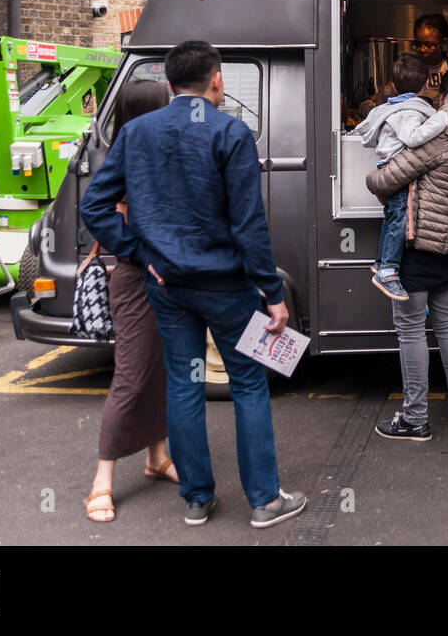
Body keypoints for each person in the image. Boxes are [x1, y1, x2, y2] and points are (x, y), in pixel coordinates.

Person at [80, 40, 306, 530]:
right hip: (227, 286)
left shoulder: (137, 132)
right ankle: (265, 501)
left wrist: (140, 252)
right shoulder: (232, 132)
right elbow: (249, 224)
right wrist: (272, 293)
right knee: (248, 384)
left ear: (168, 83)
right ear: (216, 80)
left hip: (167, 286)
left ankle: (197, 499)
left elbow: (93, 205)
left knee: (185, 385)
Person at [365, 65, 448, 440]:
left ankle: (415, 418)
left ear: (444, 100)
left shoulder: (435, 142)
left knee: (410, 331)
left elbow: (383, 179)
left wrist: (372, 179)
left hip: (419, 244)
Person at [83, 80, 178, 523]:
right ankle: (101, 480)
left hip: (163, 278)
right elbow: (107, 214)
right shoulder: (126, 156)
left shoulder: (152, 150)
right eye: (165, 103)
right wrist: (136, 249)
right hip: (137, 279)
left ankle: (156, 457)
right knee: (132, 375)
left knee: (159, 371)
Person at [356, 53, 448, 301]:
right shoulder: (408, 111)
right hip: (401, 170)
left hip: (389, 168)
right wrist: (442, 117)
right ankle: (388, 271)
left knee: (391, 218)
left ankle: (380, 261)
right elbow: (413, 138)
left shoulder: (391, 108)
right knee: (400, 220)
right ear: (427, 84)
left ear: (394, 85)